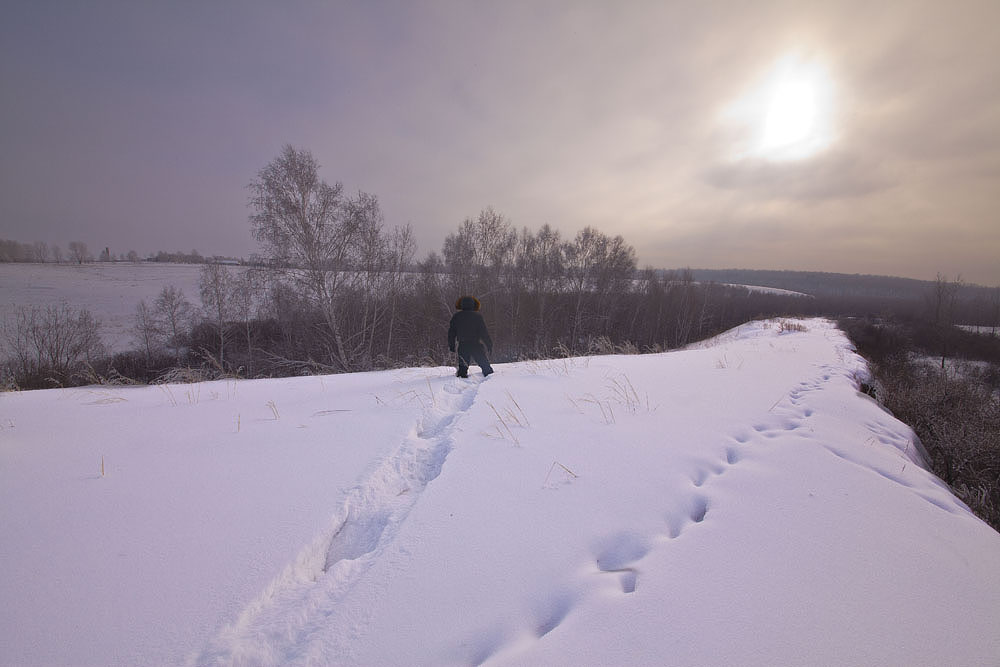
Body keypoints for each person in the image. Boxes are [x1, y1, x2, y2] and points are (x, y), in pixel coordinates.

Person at [448, 295, 494, 378]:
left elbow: (451, 333)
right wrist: (489, 344)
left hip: (463, 345)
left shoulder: (456, 317)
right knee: (486, 367)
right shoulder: (477, 316)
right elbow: (484, 332)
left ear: (462, 305)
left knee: (462, 369)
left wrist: (451, 345)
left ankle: (462, 382)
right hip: (476, 345)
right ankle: (491, 382)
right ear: (473, 305)